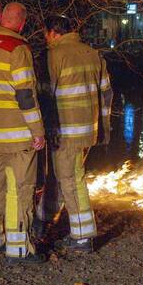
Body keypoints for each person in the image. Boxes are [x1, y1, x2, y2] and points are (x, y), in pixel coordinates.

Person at [0, 2, 47, 264]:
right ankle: (18, 249)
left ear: (1, 17)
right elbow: (25, 95)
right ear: (21, 23)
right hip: (17, 136)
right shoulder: (18, 49)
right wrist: (37, 131)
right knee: (20, 189)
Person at [45, 16, 113, 252]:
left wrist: (44, 127)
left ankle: (83, 236)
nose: (46, 40)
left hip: (66, 131)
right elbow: (106, 94)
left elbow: (49, 96)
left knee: (71, 180)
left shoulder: (55, 55)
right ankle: (46, 217)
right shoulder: (93, 53)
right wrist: (103, 128)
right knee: (68, 175)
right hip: (88, 131)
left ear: (54, 33)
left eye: (46, 35)